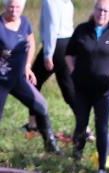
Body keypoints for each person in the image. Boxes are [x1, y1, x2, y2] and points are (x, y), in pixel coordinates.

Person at [0, 0, 62, 155]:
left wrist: (27, 65)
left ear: (22, 7)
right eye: (11, 6)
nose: (14, 10)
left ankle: (50, 146)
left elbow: (30, 41)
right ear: (5, 6)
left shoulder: (24, 22)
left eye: (17, 7)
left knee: (41, 106)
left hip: (17, 79)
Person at [65, 0, 109, 173]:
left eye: (106, 11)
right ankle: (76, 159)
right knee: (81, 124)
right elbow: (69, 53)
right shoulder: (81, 30)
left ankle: (101, 169)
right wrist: (73, 71)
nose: (102, 13)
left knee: (102, 127)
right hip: (82, 89)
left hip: (103, 91)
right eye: (99, 9)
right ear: (94, 10)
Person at [26, 0, 76, 133]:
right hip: (68, 44)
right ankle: (84, 127)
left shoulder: (50, 1)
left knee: (32, 81)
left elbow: (52, 27)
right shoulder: (68, 2)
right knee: (68, 89)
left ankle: (33, 123)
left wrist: (48, 54)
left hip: (56, 46)